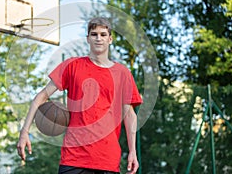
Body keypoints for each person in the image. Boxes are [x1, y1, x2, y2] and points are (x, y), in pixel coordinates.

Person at [17, 17, 143, 174]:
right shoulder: (72, 66)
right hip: (73, 158)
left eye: (103, 34)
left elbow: (129, 114)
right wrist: (24, 132)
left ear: (110, 39)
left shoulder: (122, 73)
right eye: (94, 34)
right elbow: (41, 96)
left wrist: (133, 152)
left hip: (107, 160)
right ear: (88, 39)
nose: (98, 38)